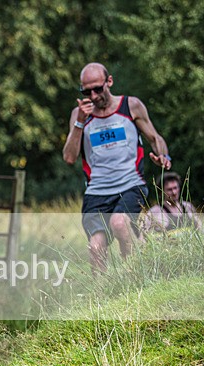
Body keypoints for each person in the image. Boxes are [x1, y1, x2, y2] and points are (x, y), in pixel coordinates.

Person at [62, 62, 172, 273]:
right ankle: (100, 299)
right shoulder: (80, 115)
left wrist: (163, 156)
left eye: (97, 89)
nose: (93, 96)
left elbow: (155, 138)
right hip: (97, 191)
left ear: (109, 81)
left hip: (130, 185)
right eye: (86, 91)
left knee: (119, 223)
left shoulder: (131, 106)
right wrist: (79, 123)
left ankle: (133, 278)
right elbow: (69, 157)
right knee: (95, 247)